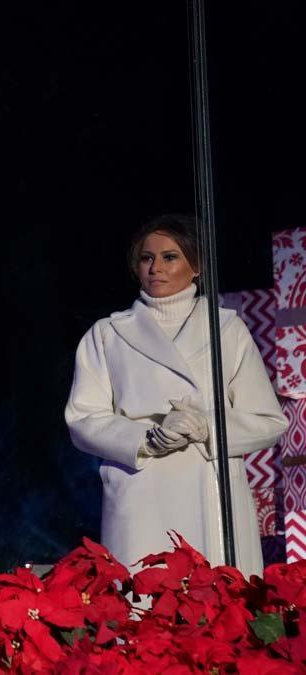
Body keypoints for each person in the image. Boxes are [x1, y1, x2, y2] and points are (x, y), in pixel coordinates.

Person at [65, 214, 287, 576]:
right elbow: (82, 419)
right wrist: (146, 440)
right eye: (146, 258)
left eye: (170, 257)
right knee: (142, 607)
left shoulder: (226, 329)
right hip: (141, 489)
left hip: (209, 486)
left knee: (218, 607)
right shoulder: (107, 334)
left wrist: (207, 429)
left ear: (196, 265)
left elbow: (268, 420)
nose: (156, 268)